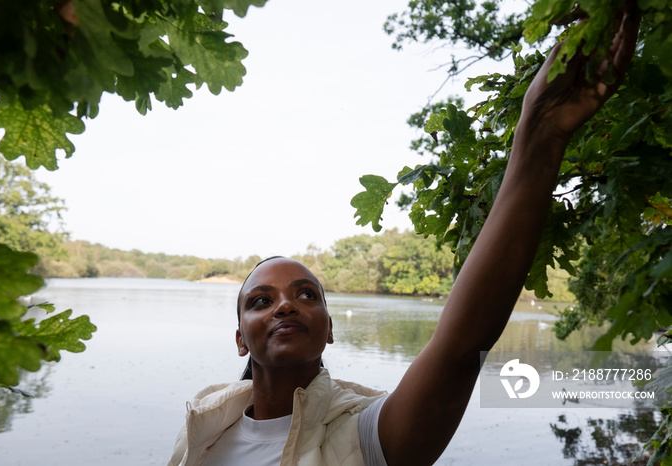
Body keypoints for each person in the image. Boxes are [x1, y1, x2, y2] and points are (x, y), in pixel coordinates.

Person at [168, 4, 640, 465]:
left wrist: (540, 132)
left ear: (330, 330)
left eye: (306, 294)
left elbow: (459, 350)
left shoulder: (367, 437)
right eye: (260, 301)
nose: (285, 305)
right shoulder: (203, 431)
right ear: (239, 340)